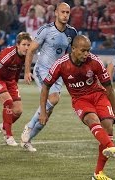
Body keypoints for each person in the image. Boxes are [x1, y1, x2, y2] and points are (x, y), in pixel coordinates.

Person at [39, 35, 115, 180]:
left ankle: (98, 174)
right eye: (83, 51)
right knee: (92, 119)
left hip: (98, 95)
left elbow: (109, 88)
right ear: (73, 49)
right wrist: (43, 112)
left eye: (88, 50)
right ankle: (111, 145)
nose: (86, 54)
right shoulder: (61, 64)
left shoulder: (95, 61)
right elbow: (45, 87)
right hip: (80, 99)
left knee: (108, 126)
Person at [21, 2, 77, 152]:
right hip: (42, 69)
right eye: (63, 12)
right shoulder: (46, 30)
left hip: (58, 73)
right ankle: (29, 126)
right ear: (56, 13)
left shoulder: (72, 33)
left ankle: (28, 140)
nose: (65, 15)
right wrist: (27, 71)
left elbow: (71, 55)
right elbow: (31, 51)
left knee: (47, 113)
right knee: (53, 99)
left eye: (67, 12)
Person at [0, 32, 32, 146]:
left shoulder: (26, 56)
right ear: (17, 44)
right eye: (24, 44)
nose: (26, 47)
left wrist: (15, 84)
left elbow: (17, 70)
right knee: (8, 102)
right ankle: (8, 136)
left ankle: (3, 126)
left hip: (11, 82)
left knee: (18, 111)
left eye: (28, 45)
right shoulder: (9, 54)